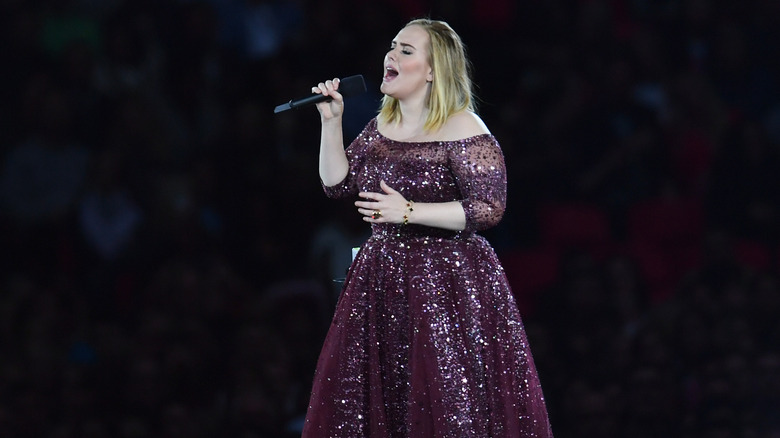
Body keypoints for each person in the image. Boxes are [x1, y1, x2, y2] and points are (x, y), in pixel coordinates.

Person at [302, 18, 553, 437]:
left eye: (406, 50)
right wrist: (331, 122)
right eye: (393, 46)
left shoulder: (463, 126)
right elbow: (337, 184)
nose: (391, 56)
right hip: (382, 278)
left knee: (445, 398)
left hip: (446, 281)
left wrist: (410, 211)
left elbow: (488, 207)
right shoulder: (382, 125)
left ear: (434, 69)